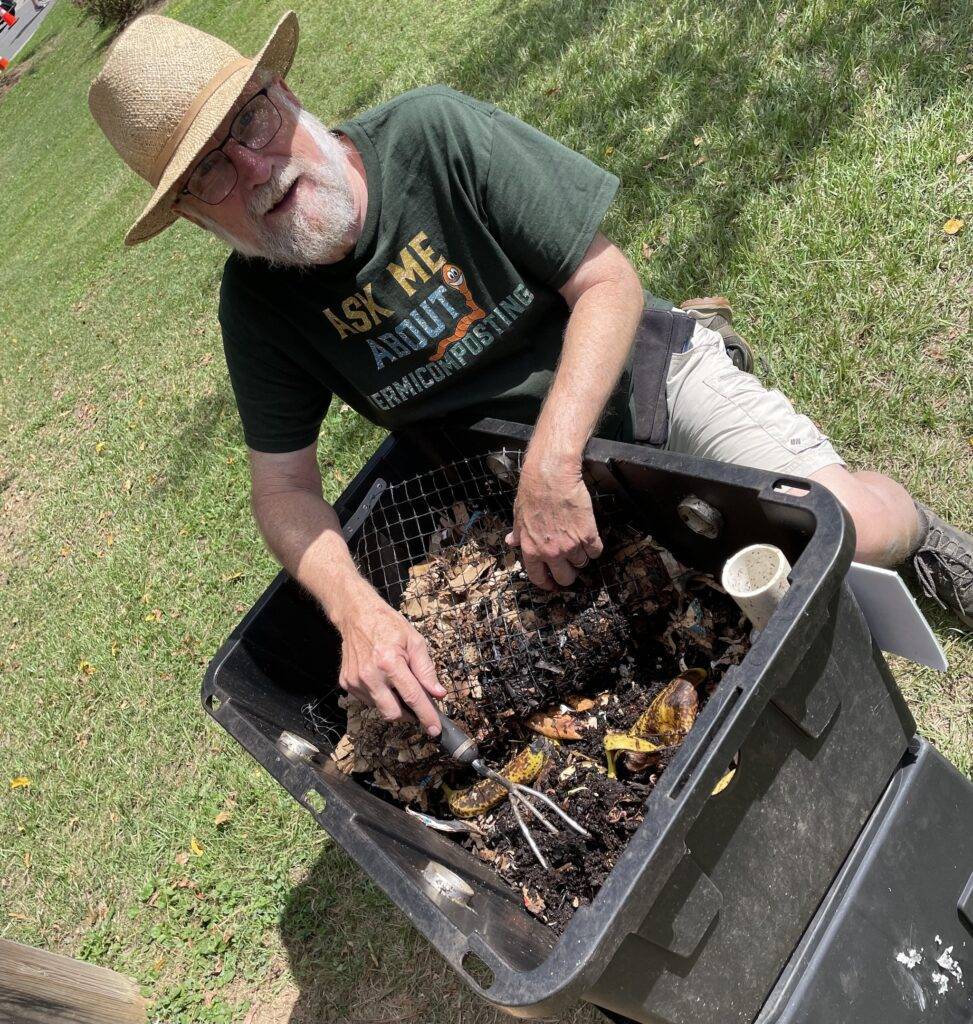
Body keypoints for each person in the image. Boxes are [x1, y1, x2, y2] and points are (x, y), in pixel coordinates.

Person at [88, 11, 972, 736]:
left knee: (834, 527)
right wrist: (355, 608)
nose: (254, 168)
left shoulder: (431, 139)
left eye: (249, 120)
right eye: (209, 173)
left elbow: (606, 281)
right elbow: (283, 490)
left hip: (647, 388)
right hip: (509, 494)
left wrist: (555, 460)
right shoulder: (258, 303)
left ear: (286, 92)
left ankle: (924, 533)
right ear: (196, 221)